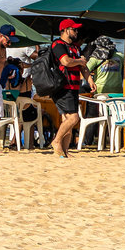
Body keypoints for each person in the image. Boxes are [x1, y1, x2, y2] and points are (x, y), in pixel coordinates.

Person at [49, 20, 86, 159]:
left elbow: (83, 66)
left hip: (75, 86)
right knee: (73, 118)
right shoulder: (58, 45)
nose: (76, 32)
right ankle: (56, 141)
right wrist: (79, 61)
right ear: (65, 30)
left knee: (67, 119)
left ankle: (64, 151)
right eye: (74, 30)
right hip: (63, 86)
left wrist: (89, 80)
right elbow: (65, 61)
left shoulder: (75, 48)